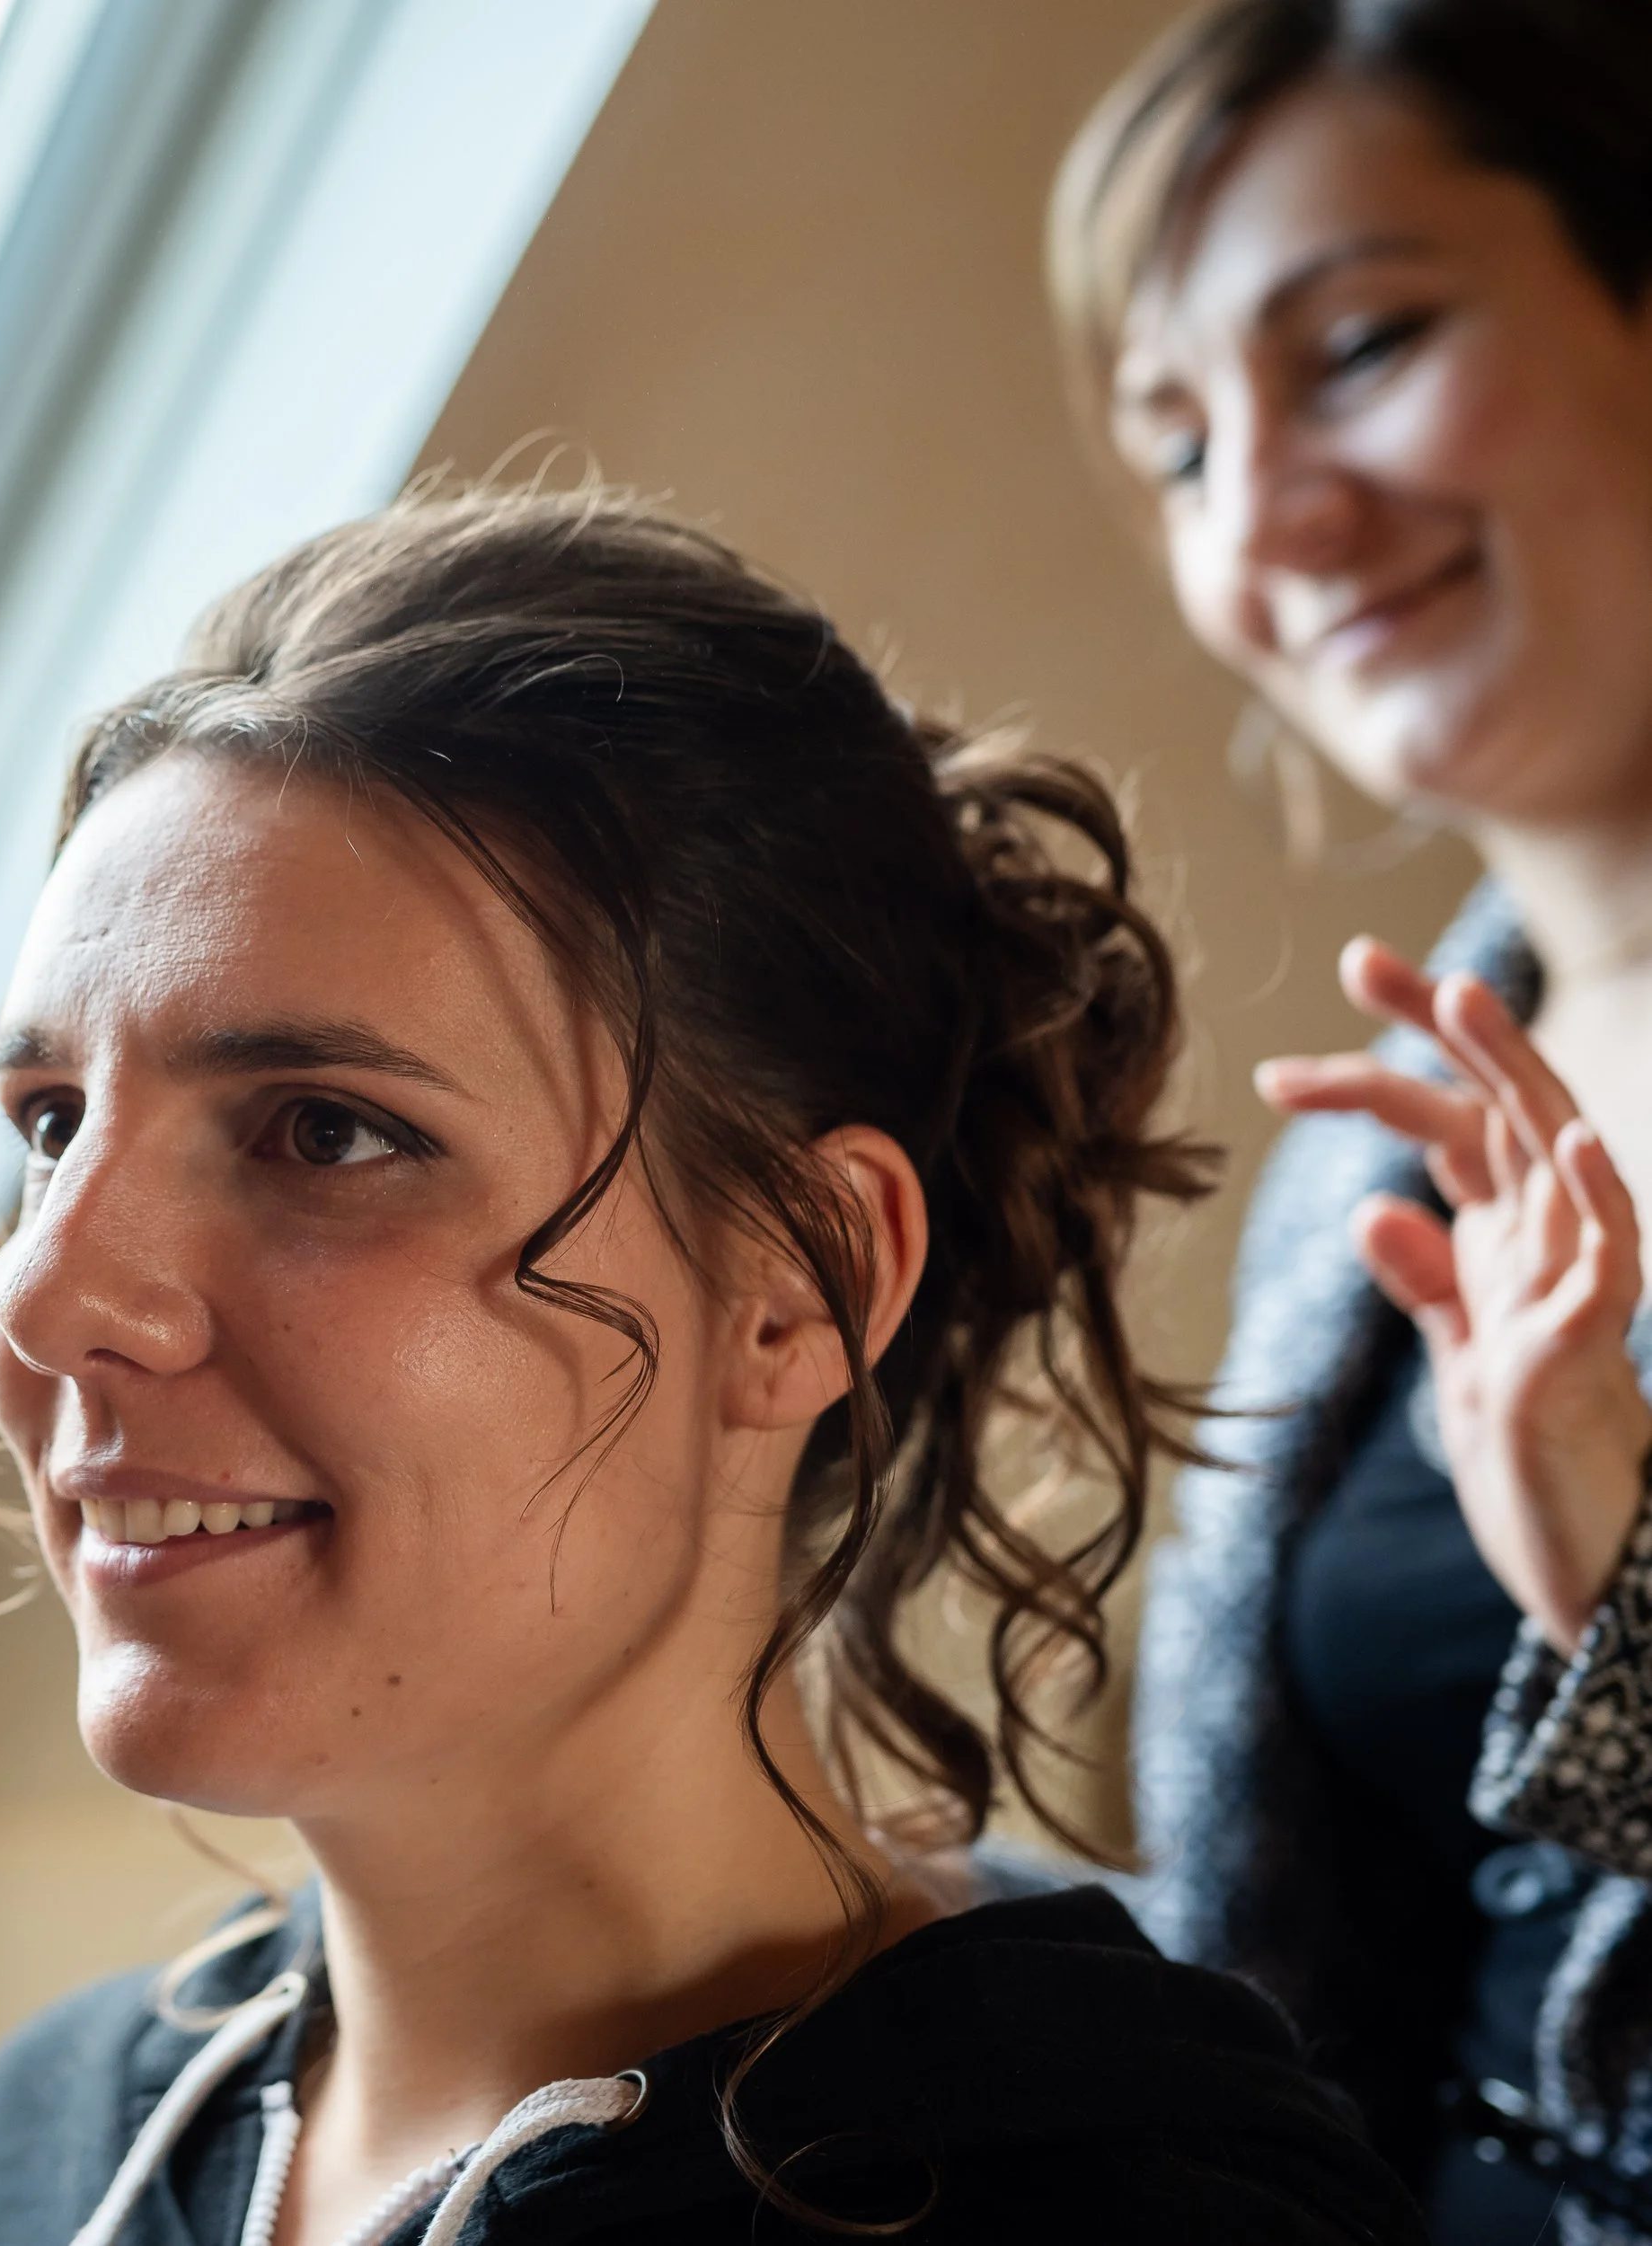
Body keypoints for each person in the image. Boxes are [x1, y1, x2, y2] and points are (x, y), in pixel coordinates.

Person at [0, 487, 1417, 2245]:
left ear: (798, 1282)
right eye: (49, 1123)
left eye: (325, 1131)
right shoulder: (63, 2129)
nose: (41, 1299)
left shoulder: (1115, 2206)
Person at [1048, 4, 1652, 2241]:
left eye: (1362, 342)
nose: (1272, 516)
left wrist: (1623, 1593)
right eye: (1179, 445)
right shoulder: (1356, 1178)